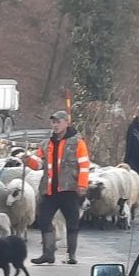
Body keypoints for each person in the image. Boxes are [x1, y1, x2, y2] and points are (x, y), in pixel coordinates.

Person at [22, 110, 90, 265]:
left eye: (58, 122)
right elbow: (39, 164)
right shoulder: (46, 144)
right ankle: (48, 253)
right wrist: (28, 161)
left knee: (72, 222)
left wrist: (82, 184)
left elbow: (84, 165)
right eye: (53, 122)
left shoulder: (78, 143)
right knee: (44, 220)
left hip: (69, 189)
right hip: (50, 189)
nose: (55, 125)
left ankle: (71, 255)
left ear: (66, 123)